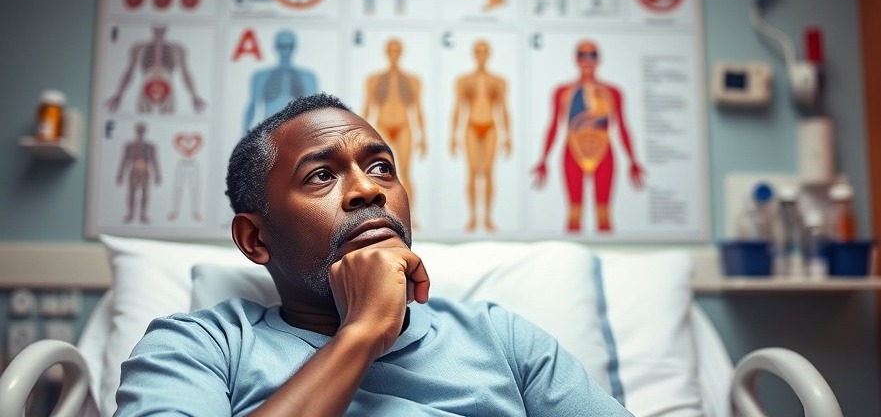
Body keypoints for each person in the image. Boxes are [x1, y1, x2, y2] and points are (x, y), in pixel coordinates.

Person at [115, 93, 632, 416]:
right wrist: (361, 334)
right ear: (255, 239)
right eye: (321, 175)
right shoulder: (201, 347)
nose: (368, 190)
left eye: (382, 166)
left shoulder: (501, 337)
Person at [532, 40, 645, 233]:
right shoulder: (562, 92)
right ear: (575, 59)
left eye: (591, 55)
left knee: (604, 214)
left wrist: (633, 160)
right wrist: (543, 159)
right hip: (573, 152)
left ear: (598, 59)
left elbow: (623, 127)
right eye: (582, 55)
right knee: (574, 213)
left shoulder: (613, 92)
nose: (587, 60)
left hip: (604, 153)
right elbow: (554, 126)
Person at [449, 39, 512, 232]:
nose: (481, 55)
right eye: (478, 51)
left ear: (488, 54)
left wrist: (508, 135)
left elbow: (503, 109)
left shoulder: (499, 81)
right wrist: (453, 134)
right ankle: (473, 218)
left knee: (488, 173)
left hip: (491, 126)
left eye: (485, 51)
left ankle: (487, 218)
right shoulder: (463, 81)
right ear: (474, 54)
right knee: (473, 172)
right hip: (471, 126)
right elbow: (458, 108)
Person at [363, 38, 426, 224]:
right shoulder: (374, 80)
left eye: (397, 49)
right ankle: (380, 217)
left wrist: (423, 136)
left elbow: (417, 109)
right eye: (391, 49)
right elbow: (367, 108)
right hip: (382, 125)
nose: (394, 53)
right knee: (377, 175)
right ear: (386, 52)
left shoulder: (413, 80)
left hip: (404, 126)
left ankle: (409, 218)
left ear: (401, 52)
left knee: (405, 172)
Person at [106, 24, 206, 114]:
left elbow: (184, 72)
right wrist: (119, 93)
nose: (159, 28)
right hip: (146, 86)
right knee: (143, 116)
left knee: (167, 120)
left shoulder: (178, 48)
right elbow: (129, 71)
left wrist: (194, 95)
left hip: (168, 87)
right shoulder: (138, 47)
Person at [242, 29, 318, 134]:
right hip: (270, 131)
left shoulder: (308, 77)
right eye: (281, 46)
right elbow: (252, 107)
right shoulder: (261, 77)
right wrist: (244, 135)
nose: (285, 51)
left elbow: (314, 110)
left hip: (297, 132)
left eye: (289, 46)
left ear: (294, 48)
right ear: (276, 47)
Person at [115, 122, 161, 224]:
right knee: (131, 193)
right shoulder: (129, 146)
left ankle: (143, 214)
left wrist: (157, 174)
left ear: (144, 132)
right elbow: (124, 160)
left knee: (144, 193)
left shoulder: (150, 146)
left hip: (145, 171)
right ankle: (131, 214)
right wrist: (120, 173)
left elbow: (154, 161)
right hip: (134, 170)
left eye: (142, 130)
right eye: (139, 130)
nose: (140, 132)